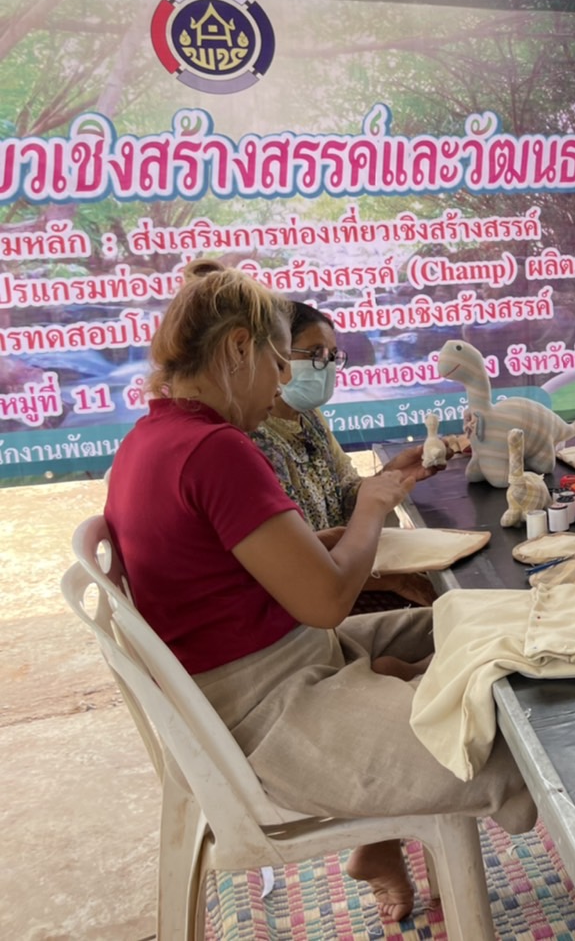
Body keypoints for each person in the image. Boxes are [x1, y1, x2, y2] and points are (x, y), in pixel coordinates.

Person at [103, 260, 534, 925]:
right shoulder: (215, 449)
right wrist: (371, 507)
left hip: (279, 661)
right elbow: (327, 603)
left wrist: (359, 517)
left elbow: (267, 557)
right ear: (239, 348)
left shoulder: (149, 439)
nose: (282, 382)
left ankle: (410, 681)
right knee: (519, 736)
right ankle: (413, 693)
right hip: (268, 709)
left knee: (484, 617)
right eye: (279, 362)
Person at [250, 300, 443, 607]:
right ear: (276, 354)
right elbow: (291, 567)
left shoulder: (310, 417)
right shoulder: (252, 437)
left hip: (348, 576)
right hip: (314, 600)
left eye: (331, 356)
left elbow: (345, 503)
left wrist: (393, 475)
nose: (326, 366)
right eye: (315, 354)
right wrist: (397, 580)